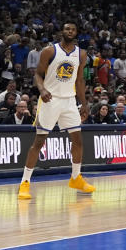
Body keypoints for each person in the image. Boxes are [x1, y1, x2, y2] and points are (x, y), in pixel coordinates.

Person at [18, 22, 95, 199]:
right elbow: (38, 74)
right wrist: (42, 89)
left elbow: (80, 80)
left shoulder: (81, 54)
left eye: (73, 29)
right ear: (62, 31)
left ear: (76, 33)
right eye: (67, 28)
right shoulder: (49, 51)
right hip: (50, 99)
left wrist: (84, 103)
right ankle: (25, 182)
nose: (70, 31)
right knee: (39, 142)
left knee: (78, 141)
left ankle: (76, 178)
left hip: (69, 101)